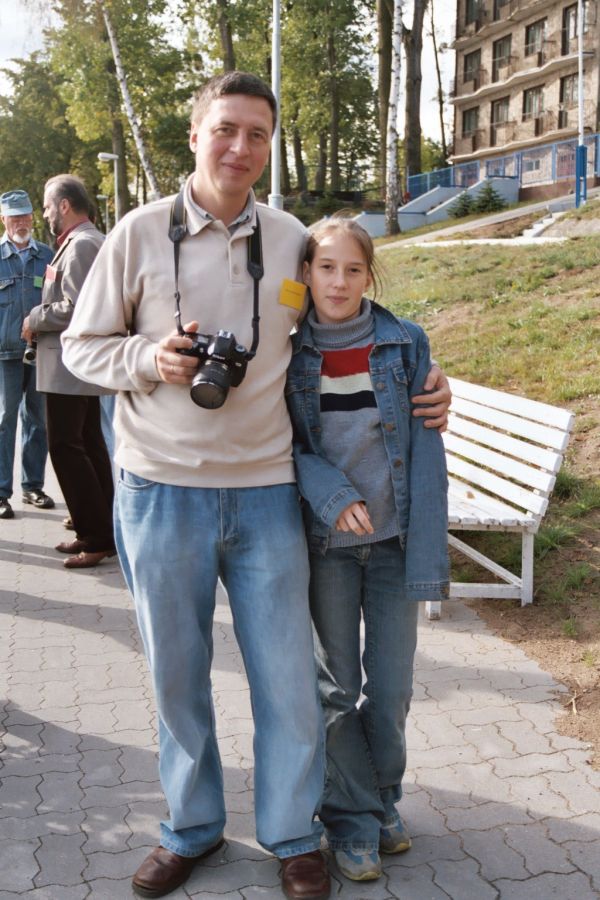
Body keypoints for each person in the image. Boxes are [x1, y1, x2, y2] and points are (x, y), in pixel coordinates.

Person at [61, 72, 451, 899]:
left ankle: (291, 833)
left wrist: (426, 373)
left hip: (270, 491)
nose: (240, 147)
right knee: (177, 676)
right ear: (194, 133)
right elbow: (80, 349)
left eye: (257, 134)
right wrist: (149, 357)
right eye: (225, 129)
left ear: (269, 146)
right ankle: (191, 828)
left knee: (288, 682)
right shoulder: (136, 233)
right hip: (160, 490)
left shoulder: (291, 238)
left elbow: (349, 319)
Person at [285, 217, 449, 882]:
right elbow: (283, 445)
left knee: (391, 690)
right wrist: (330, 494)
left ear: (369, 276)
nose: (338, 282)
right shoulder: (287, 352)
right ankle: (351, 821)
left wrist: (442, 397)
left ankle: (383, 801)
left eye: (353, 269)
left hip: (392, 548)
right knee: (336, 690)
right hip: (328, 546)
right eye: (326, 267)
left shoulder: (404, 342)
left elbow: (427, 433)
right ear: (306, 273)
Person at [22, 175, 115, 569]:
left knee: (66, 447)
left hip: (69, 367)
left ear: (64, 205)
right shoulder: (82, 242)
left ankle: (95, 537)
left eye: (47, 206)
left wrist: (35, 317)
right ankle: (102, 530)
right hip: (73, 367)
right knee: (88, 445)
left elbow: (76, 308)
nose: (45, 214)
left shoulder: (81, 246)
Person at [0, 189, 54, 519]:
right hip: (4, 353)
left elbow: (56, 299)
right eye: (14, 217)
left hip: (40, 352)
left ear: (32, 218)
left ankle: (33, 486)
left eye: (25, 216)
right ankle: (0, 492)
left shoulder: (47, 255)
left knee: (38, 420)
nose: (21, 222)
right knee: (4, 420)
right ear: (3, 220)